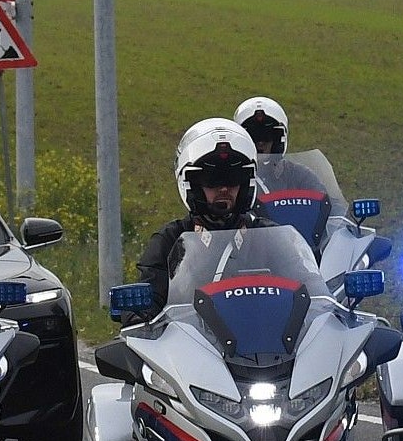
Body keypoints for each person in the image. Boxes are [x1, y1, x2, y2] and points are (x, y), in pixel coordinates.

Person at [129, 118, 273, 323]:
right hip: (191, 348)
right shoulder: (169, 240)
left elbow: (307, 291)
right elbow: (147, 302)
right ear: (192, 184)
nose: (224, 188)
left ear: (246, 183)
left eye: (233, 177)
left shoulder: (267, 236)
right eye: (212, 179)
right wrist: (138, 317)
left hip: (265, 344)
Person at [232, 95, 319, 185]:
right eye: (254, 137)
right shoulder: (231, 179)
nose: (260, 143)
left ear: (279, 139)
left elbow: (323, 198)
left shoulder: (300, 176)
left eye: (267, 136)